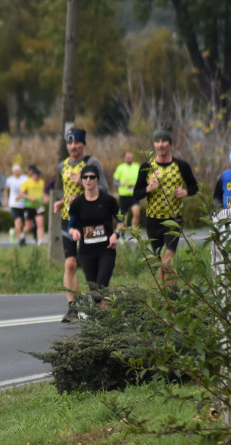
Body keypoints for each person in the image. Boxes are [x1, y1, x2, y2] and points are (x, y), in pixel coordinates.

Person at [53, 128, 107, 322]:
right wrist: (61, 202)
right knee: (70, 263)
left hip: (90, 221)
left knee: (90, 265)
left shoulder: (91, 163)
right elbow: (66, 191)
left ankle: (100, 305)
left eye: (77, 143)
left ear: (83, 144)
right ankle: (72, 308)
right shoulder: (62, 166)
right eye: (70, 143)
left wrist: (85, 184)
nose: (73, 146)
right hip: (69, 220)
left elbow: (105, 189)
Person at [133, 128, 199, 282]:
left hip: (173, 219)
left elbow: (194, 187)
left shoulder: (181, 166)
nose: (160, 145)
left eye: (164, 141)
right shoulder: (146, 166)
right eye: (157, 141)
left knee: (167, 259)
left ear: (170, 143)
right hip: (153, 220)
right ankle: (166, 296)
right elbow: (136, 193)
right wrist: (148, 189)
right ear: (154, 144)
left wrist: (185, 192)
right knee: (159, 262)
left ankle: (171, 296)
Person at [67, 163, 122, 298]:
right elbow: (70, 226)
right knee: (95, 295)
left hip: (106, 250)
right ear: (81, 180)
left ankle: (110, 317)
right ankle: (108, 316)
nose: (88, 180)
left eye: (92, 177)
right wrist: (74, 232)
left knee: (101, 288)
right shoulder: (77, 203)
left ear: (97, 179)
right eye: (85, 177)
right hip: (86, 252)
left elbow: (122, 221)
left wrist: (116, 235)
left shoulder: (108, 200)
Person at [113, 151, 141, 231]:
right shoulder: (120, 167)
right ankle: (122, 235)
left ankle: (134, 233)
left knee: (137, 214)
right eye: (128, 158)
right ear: (124, 158)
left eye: (131, 158)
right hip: (124, 195)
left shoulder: (137, 166)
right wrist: (122, 184)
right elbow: (114, 181)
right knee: (123, 217)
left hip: (134, 195)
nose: (130, 159)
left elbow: (141, 179)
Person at [18, 165, 46, 245]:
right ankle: (22, 235)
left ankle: (40, 242)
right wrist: (30, 198)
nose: (38, 178)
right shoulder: (27, 182)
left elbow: (42, 192)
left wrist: (44, 198)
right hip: (29, 206)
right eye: (37, 176)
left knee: (40, 223)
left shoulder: (41, 182)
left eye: (39, 176)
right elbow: (21, 194)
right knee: (29, 226)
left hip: (38, 206)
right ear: (33, 175)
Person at [4, 164, 29, 245]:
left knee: (23, 223)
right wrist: (6, 200)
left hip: (24, 203)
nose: (17, 173)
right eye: (15, 171)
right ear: (13, 172)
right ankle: (20, 239)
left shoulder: (25, 178)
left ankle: (13, 232)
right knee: (18, 220)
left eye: (18, 171)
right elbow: (6, 190)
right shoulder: (10, 180)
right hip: (14, 203)